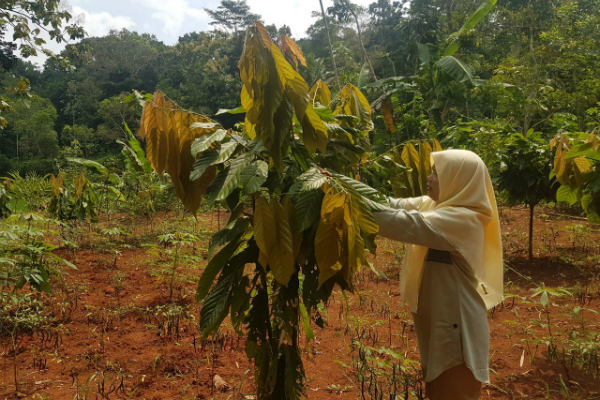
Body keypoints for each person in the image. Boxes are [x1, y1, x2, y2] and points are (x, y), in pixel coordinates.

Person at [374, 149, 503, 400]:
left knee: (453, 390)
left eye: (437, 173)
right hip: (442, 322)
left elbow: (401, 222)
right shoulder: (434, 205)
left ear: (458, 179)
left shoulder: (465, 219)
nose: (429, 177)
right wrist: (343, 184)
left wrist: (343, 200)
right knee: (439, 388)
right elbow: (392, 204)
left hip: (456, 328)